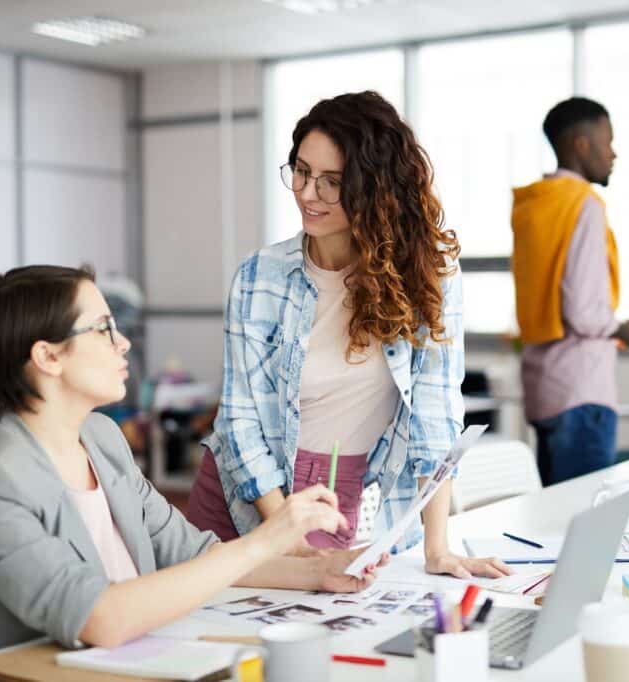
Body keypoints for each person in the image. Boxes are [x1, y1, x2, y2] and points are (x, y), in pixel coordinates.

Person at [0, 265, 383, 674]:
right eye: (104, 329)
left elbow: (192, 554)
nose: (124, 342)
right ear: (47, 356)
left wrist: (322, 571)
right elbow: (99, 617)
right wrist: (266, 537)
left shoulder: (102, 440)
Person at [186, 91, 510, 580]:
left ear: (374, 188)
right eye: (300, 171)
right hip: (246, 498)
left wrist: (437, 548)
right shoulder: (261, 276)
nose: (307, 193)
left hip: (338, 499)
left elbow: (435, 415)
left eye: (332, 182)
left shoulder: (428, 276)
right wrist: (285, 532)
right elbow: (240, 419)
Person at [511, 97, 629, 486]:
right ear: (581, 144)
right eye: (607, 141)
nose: (614, 153)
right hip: (583, 390)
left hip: (543, 388)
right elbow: (585, 312)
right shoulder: (584, 205)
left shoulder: (532, 205)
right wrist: (625, 330)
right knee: (584, 520)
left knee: (551, 523)